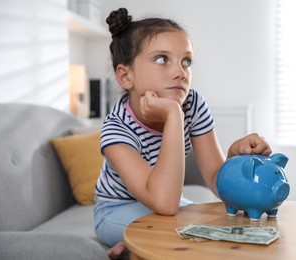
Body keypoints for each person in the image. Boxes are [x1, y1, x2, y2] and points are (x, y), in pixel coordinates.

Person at [94, 7, 272, 259]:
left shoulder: (193, 103)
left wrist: (235, 158)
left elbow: (216, 181)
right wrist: (173, 116)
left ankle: (136, 243)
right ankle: (135, 243)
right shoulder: (116, 129)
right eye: (161, 59)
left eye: (186, 61)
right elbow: (164, 203)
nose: (180, 71)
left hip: (166, 203)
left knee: (218, 224)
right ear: (125, 76)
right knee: (185, 231)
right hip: (116, 210)